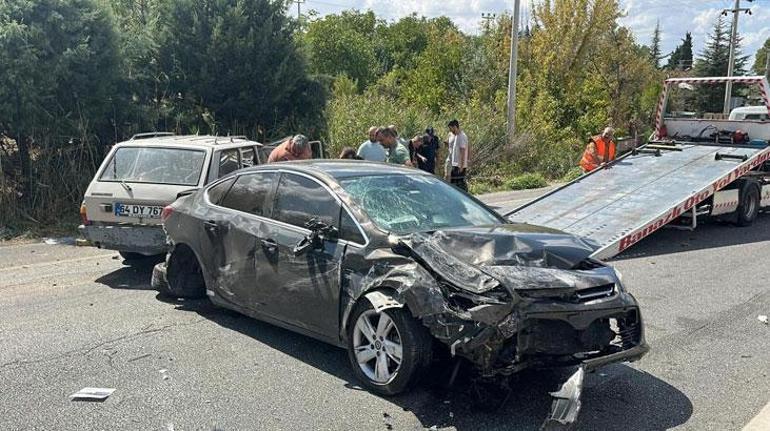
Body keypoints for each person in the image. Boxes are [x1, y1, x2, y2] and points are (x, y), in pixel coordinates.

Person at [445, 119, 468, 190]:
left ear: (455, 127)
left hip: (459, 165)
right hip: (454, 164)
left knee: (460, 185)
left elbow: (463, 151)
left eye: (450, 128)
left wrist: (461, 166)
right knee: (454, 184)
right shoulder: (457, 136)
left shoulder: (461, 136)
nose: (450, 130)